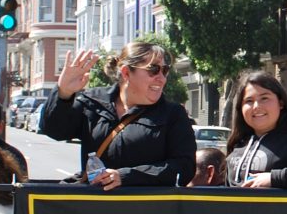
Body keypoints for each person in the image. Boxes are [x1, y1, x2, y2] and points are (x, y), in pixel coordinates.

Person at [41, 42, 196, 187]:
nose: (161, 78)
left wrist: (125, 176)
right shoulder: (93, 102)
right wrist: (63, 92)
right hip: (94, 209)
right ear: (126, 72)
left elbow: (185, 168)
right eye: (153, 69)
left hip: (147, 210)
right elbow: (54, 130)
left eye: (165, 70)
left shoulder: (173, 114)